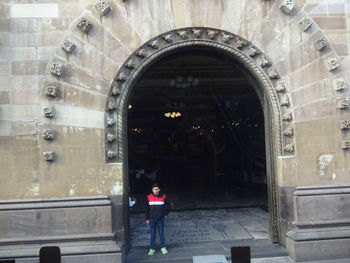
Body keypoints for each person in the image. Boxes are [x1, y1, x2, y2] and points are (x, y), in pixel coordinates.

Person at [145, 183, 170, 256]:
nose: (155, 190)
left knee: (161, 233)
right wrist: (147, 218)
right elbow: (146, 208)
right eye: (154, 189)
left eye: (157, 189)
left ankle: (163, 247)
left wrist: (166, 214)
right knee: (153, 234)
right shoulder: (148, 197)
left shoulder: (163, 196)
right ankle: (152, 249)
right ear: (152, 190)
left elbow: (168, 205)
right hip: (152, 219)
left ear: (159, 189)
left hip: (160, 219)